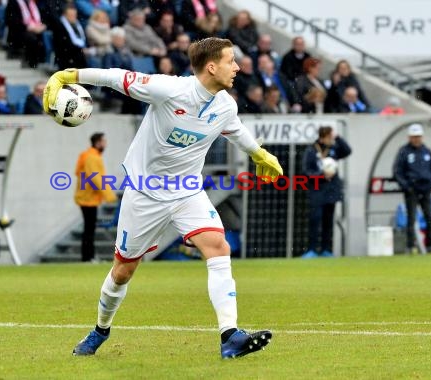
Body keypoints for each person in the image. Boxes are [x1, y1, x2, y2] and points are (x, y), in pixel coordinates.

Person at [43, 37, 283, 358]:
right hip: (145, 192)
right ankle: (101, 330)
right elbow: (115, 77)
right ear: (211, 67)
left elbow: (234, 129)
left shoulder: (225, 104)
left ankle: (230, 336)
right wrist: (67, 76)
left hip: (188, 191)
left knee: (217, 246)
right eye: (231, 61)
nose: (237, 67)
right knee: (123, 271)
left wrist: (258, 153)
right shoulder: (168, 89)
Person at [302, 126, 352, 258]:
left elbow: (348, 151)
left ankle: (326, 249)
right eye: (330, 137)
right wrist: (321, 175)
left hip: (331, 191)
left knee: (328, 221)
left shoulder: (334, 149)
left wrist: (338, 137)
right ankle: (311, 249)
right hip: (317, 191)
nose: (332, 140)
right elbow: (306, 171)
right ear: (323, 137)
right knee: (315, 220)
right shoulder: (311, 151)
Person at [393, 123, 431, 254]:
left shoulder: (427, 151)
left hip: (426, 189)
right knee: (411, 218)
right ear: (409, 137)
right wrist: (406, 186)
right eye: (414, 136)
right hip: (411, 190)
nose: (416, 139)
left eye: (418, 136)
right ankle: (410, 246)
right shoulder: (404, 152)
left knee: (430, 217)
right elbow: (398, 171)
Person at [74, 133, 117, 262]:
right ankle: (88, 257)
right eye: (104, 141)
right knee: (89, 229)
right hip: (88, 199)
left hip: (88, 198)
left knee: (89, 228)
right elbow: (95, 177)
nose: (105, 144)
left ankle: (89, 257)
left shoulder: (90, 155)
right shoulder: (92, 157)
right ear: (98, 142)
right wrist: (109, 195)